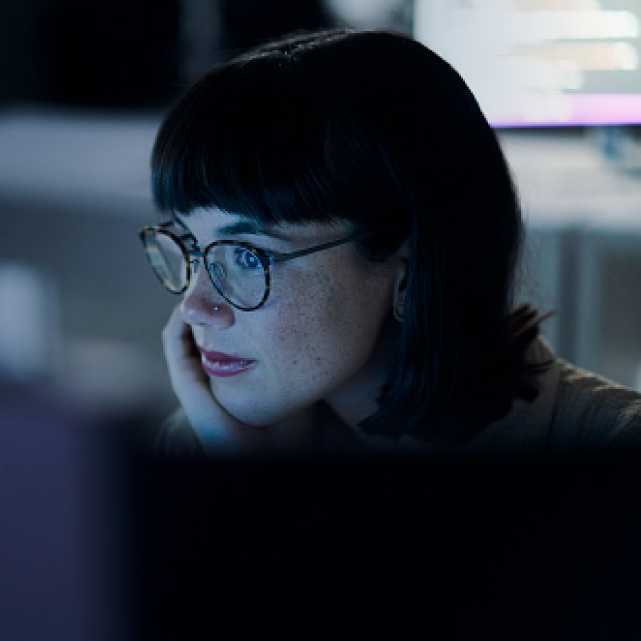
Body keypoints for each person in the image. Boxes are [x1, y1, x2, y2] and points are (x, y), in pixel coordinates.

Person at [139, 28, 641, 457]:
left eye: (248, 257)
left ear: (409, 269)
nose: (195, 307)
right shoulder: (204, 437)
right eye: (192, 247)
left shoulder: (615, 457)